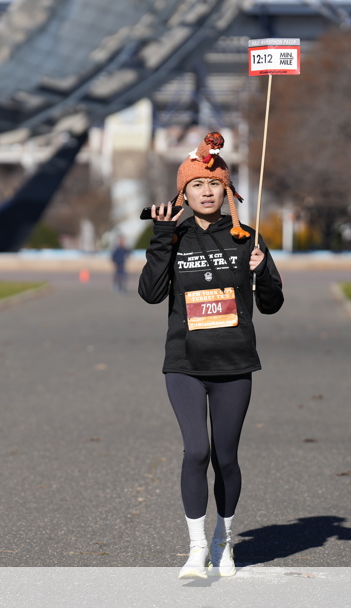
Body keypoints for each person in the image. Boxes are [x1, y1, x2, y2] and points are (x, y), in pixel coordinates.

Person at [138, 132, 283, 579]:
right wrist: (162, 237)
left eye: (214, 184)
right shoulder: (173, 235)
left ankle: (224, 539)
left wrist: (263, 271)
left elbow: (272, 304)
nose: (206, 192)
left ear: (227, 192)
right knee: (196, 450)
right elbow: (150, 293)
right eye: (197, 185)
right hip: (184, 363)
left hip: (234, 364)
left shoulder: (246, 238)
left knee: (225, 458)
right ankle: (196, 547)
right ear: (183, 193)